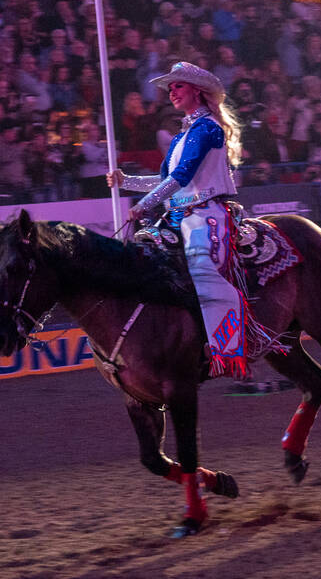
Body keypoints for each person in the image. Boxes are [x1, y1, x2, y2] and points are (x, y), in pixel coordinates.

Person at [107, 61, 261, 380]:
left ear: (197, 90)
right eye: (171, 87)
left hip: (207, 215)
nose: (172, 91)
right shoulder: (183, 134)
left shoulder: (207, 129)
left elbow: (182, 176)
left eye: (178, 86)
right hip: (178, 215)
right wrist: (126, 182)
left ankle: (228, 348)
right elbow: (163, 178)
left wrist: (145, 205)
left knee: (204, 271)